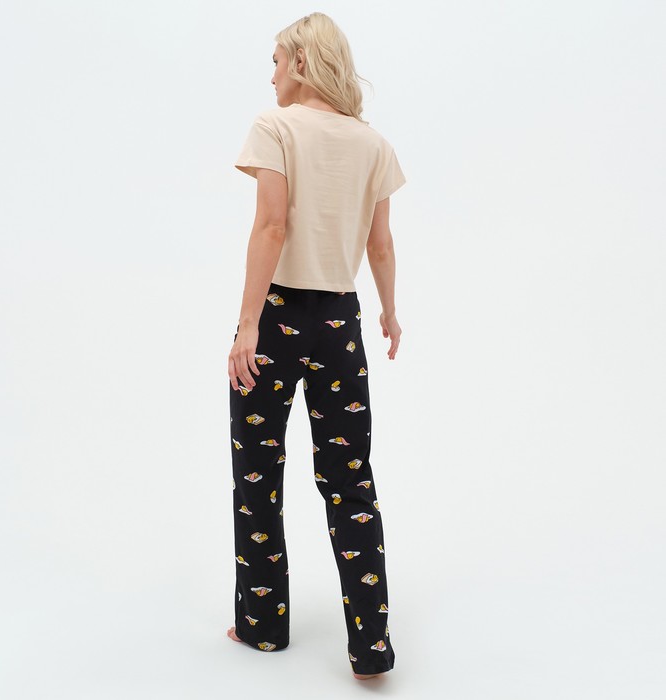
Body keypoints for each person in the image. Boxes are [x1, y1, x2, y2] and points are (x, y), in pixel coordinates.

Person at [225, 12, 405, 680]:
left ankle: (263, 628)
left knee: (257, 477)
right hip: (339, 323)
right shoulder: (373, 143)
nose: (271, 74)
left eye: (276, 60)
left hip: (276, 320)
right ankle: (371, 648)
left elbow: (271, 226)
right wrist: (388, 311)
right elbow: (380, 244)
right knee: (350, 481)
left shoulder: (276, 128)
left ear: (301, 61)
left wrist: (248, 326)